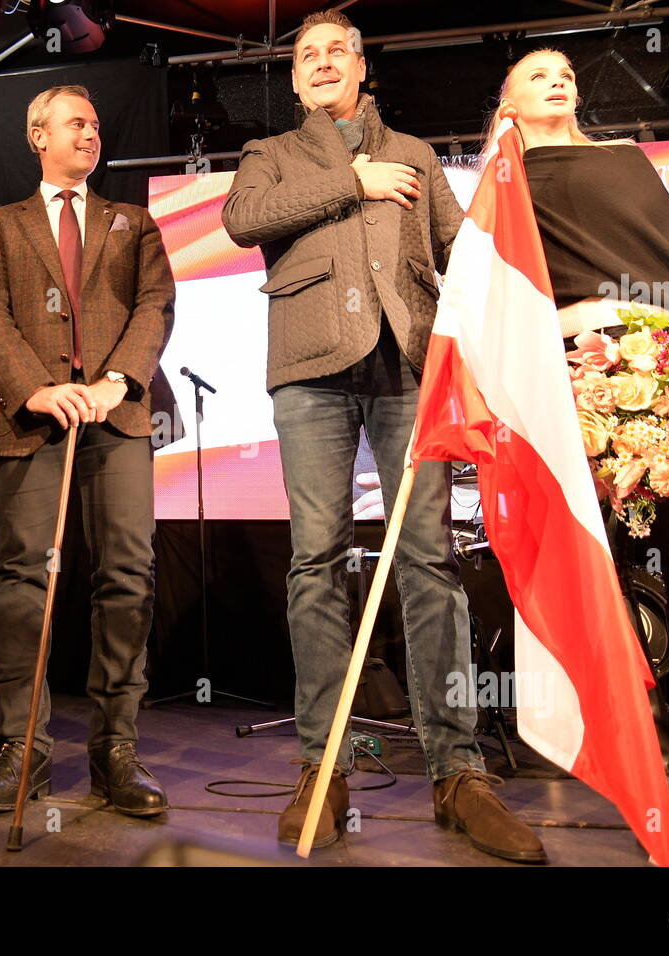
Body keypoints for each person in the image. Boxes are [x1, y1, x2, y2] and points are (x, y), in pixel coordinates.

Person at [221, 10, 545, 862]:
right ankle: (323, 767)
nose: (322, 62)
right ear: (295, 78)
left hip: (408, 367)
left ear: (362, 69)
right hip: (309, 370)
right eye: (307, 55)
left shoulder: (415, 153)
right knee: (316, 559)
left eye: (337, 51)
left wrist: (508, 240)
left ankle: (457, 772)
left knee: (430, 559)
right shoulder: (269, 153)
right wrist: (351, 181)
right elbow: (243, 219)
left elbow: (457, 249)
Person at [490, 47, 669, 865]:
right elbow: (492, 301)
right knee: (608, 586)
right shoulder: (501, 186)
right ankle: (654, 785)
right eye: (537, 73)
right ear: (507, 102)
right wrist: (562, 334)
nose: (559, 79)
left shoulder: (624, 161)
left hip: (668, 375)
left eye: (565, 70)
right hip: (571, 388)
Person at [0, 85, 175, 818]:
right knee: (23, 574)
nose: (90, 133)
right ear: (38, 135)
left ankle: (116, 749)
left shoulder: (133, 221)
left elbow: (155, 305)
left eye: (95, 124)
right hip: (31, 420)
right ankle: (22, 749)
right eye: (76, 123)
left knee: (128, 571)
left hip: (118, 416)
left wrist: (116, 382)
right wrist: (36, 389)